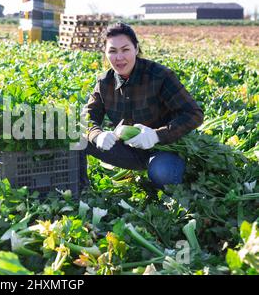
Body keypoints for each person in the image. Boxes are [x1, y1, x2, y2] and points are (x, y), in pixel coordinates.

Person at [80, 22, 204, 190]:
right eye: (112, 51)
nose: (119, 57)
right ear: (105, 53)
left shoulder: (159, 76)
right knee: (77, 139)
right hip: (127, 151)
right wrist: (96, 135)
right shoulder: (104, 82)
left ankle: (171, 180)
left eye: (125, 49)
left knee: (162, 173)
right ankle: (80, 189)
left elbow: (194, 114)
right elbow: (87, 117)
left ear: (136, 49)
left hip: (163, 149)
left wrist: (156, 135)